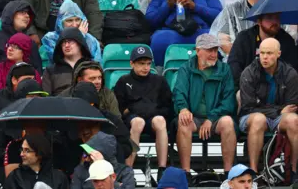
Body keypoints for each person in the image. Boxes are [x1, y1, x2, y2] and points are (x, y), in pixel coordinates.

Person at [173, 34, 237, 174]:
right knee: (183, 122)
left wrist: (211, 119)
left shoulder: (224, 69)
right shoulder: (186, 68)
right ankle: (186, 172)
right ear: (198, 51)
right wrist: (183, 109)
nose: (214, 54)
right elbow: (179, 92)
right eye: (209, 50)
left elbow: (228, 101)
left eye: (215, 50)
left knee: (227, 122)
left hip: (216, 118)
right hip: (194, 117)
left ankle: (229, 173)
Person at [239, 39, 298, 176]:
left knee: (294, 120)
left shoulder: (290, 74)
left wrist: (279, 112)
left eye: (269, 53)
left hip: (278, 118)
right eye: (262, 53)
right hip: (251, 116)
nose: (265, 57)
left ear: (278, 54)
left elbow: (291, 106)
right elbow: (248, 106)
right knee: (259, 119)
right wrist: (277, 110)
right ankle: (253, 171)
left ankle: (294, 170)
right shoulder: (248, 73)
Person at [113, 47, 172, 172]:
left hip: (154, 118)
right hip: (132, 120)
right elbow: (119, 109)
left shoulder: (159, 81)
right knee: (138, 122)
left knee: (160, 120)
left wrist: (151, 110)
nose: (145, 67)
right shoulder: (123, 81)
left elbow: (168, 107)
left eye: (148, 64)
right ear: (131, 63)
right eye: (141, 64)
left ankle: (162, 168)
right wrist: (134, 109)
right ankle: (128, 169)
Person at [210, 0, 278, 58]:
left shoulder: (274, 9)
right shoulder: (233, 9)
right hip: (240, 60)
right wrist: (240, 59)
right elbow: (222, 38)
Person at [229, 11, 298, 90]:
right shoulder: (244, 38)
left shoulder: (287, 40)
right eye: (269, 17)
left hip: (278, 91)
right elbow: (234, 68)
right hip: (248, 88)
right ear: (258, 21)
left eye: (277, 17)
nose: (274, 22)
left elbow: (292, 71)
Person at [0, 0, 43, 79]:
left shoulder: (30, 42)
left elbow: (37, 71)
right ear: (10, 14)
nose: (27, 16)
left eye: (28, 13)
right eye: (22, 12)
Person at [39, 0, 101, 70]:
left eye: (77, 20)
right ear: (60, 22)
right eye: (69, 20)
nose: (74, 25)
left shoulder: (91, 39)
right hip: (61, 74)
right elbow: (59, 59)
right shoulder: (50, 38)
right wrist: (79, 36)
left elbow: (96, 65)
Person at [4, 133, 69, 189]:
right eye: (22, 149)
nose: (21, 154)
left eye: (27, 150)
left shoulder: (58, 177)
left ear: (40, 154)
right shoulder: (15, 177)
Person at [41, 27, 94, 96]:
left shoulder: (92, 67)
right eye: (63, 42)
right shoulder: (50, 70)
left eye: (70, 41)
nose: (66, 45)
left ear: (80, 43)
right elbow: (46, 98)